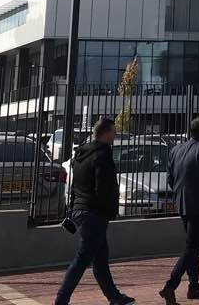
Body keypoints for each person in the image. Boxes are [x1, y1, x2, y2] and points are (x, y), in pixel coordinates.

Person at [54, 117, 134, 305]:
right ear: (105, 132)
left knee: (100, 258)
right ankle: (61, 300)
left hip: (81, 210)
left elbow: (75, 185)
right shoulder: (102, 155)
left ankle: (114, 297)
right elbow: (103, 187)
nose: (115, 136)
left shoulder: (81, 154)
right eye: (113, 132)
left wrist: (72, 208)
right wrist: (108, 210)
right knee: (82, 259)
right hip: (94, 214)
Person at [159, 114, 199, 302]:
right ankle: (170, 286)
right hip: (198, 205)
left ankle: (194, 286)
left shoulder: (176, 150)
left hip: (181, 203)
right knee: (191, 247)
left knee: (193, 246)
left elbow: (170, 179)